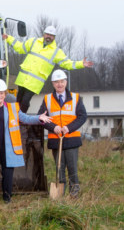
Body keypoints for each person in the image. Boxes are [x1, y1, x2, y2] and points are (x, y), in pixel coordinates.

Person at [2, 25, 94, 113]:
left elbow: (67, 63)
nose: (49, 37)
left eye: (51, 35)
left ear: (54, 37)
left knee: (25, 101)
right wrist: (9, 38)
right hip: (23, 79)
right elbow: (20, 48)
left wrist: (81, 63)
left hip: (34, 83)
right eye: (47, 34)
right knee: (19, 100)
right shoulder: (34, 42)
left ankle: (20, 118)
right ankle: (14, 117)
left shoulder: (56, 51)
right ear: (44, 34)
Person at [37, 69, 87, 198]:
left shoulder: (76, 97)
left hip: (71, 139)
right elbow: (41, 118)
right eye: (56, 82)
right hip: (55, 139)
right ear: (53, 84)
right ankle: (60, 194)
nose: (60, 84)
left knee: (72, 168)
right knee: (59, 168)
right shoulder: (47, 99)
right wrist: (53, 127)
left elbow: (82, 117)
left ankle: (74, 193)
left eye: (62, 81)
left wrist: (68, 128)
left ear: (66, 82)